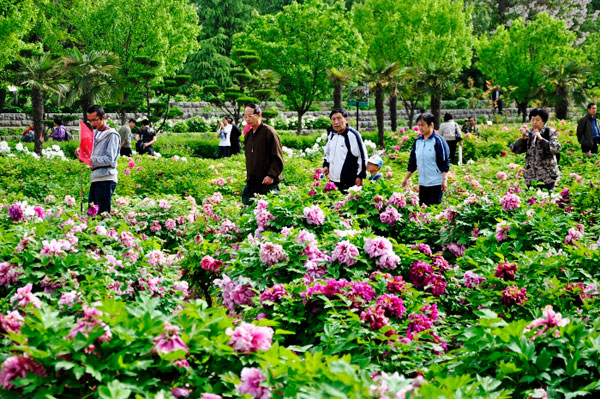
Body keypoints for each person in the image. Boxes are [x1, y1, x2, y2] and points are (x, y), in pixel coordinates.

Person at [402, 113, 450, 206]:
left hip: (436, 183)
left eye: (423, 125)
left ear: (431, 124)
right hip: (423, 183)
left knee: (434, 211)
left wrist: (444, 180)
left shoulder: (438, 141)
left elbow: (444, 162)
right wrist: (406, 178)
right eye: (419, 125)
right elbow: (413, 162)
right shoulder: (418, 141)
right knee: (423, 211)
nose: (420, 128)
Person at [242, 103, 284, 205]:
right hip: (253, 181)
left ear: (259, 115)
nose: (247, 119)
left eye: (250, 116)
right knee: (247, 210)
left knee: (268, 213)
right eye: (245, 116)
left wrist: (271, 175)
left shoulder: (269, 132)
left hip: (267, 182)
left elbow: (277, 156)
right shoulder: (248, 135)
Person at [509, 108, 561, 191]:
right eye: (532, 120)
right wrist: (521, 140)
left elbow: (556, 148)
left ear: (543, 121)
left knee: (546, 201)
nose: (534, 122)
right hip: (530, 177)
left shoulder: (549, 132)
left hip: (547, 177)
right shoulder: (529, 133)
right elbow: (514, 149)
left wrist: (541, 139)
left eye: (537, 120)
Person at [322, 108, 368, 192]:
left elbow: (362, 156)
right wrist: (326, 165)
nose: (336, 122)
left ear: (346, 120)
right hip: (333, 180)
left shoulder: (353, 135)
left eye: (339, 118)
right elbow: (328, 152)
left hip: (349, 181)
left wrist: (360, 176)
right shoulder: (332, 134)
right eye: (333, 119)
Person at [86, 104, 120, 214]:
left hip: (106, 178)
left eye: (95, 120)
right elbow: (93, 154)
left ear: (103, 117)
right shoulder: (96, 134)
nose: (92, 123)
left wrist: (90, 159)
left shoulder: (112, 135)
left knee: (102, 214)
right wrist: (82, 154)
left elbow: (109, 159)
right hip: (96, 177)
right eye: (90, 121)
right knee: (92, 213)